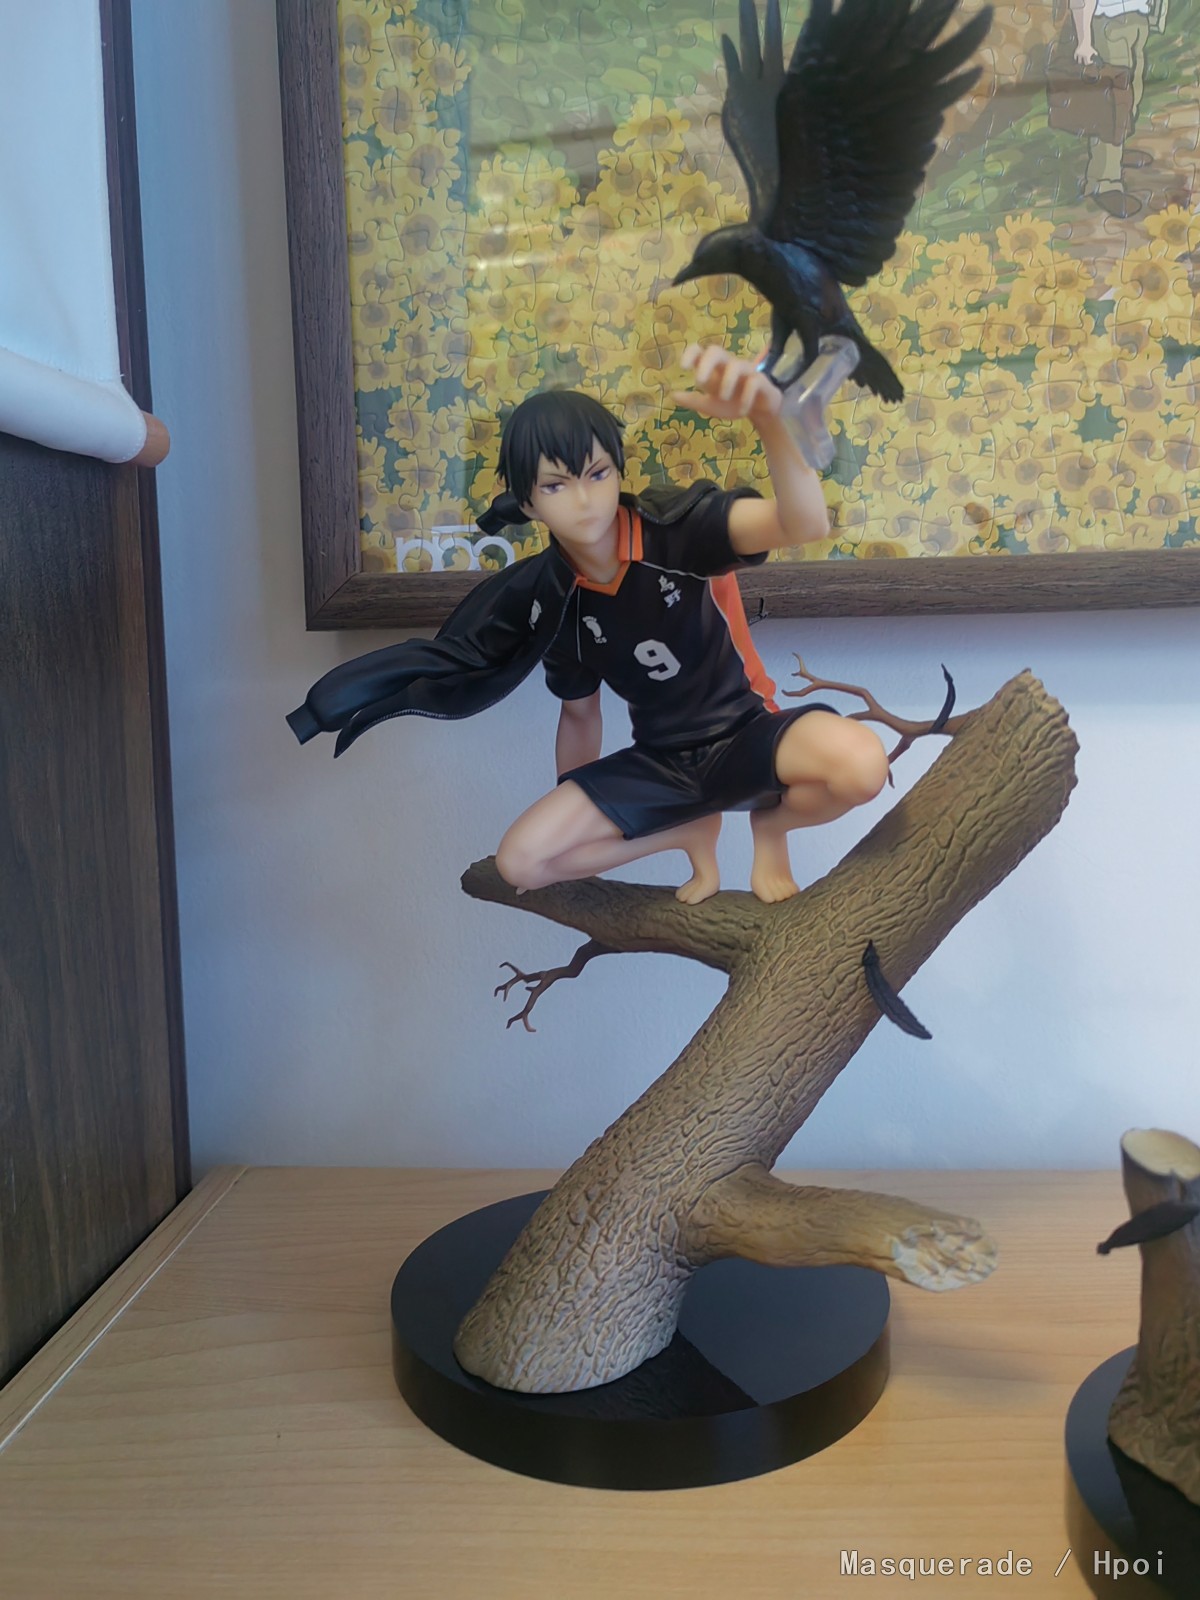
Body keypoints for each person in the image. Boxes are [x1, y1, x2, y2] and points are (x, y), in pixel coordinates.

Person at [287, 344, 888, 904]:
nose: (583, 500)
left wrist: (771, 421)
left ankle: (772, 826)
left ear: (618, 471)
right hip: (660, 764)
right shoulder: (553, 598)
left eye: (598, 474)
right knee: (522, 863)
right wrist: (588, 805)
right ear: (527, 503)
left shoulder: (677, 530)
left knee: (862, 766)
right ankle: (688, 831)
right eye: (556, 485)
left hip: (748, 732)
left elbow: (804, 524)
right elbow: (580, 716)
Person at [1068, 0, 1165, 219]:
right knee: (1113, 105)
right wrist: (1084, 41)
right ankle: (1104, 182)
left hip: (1138, 18)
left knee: (1133, 93)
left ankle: (1116, 153)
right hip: (1107, 24)